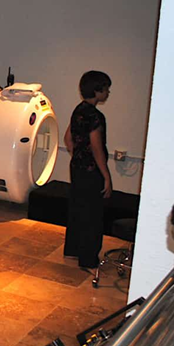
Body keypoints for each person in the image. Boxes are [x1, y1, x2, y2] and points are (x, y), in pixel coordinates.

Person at [63, 70, 112, 274]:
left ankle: (73, 250)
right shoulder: (96, 116)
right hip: (92, 172)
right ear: (97, 90)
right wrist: (107, 177)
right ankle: (88, 259)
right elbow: (96, 147)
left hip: (77, 168)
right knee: (92, 215)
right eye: (106, 89)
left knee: (77, 209)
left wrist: (78, 155)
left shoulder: (79, 110)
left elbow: (67, 138)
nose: (108, 93)